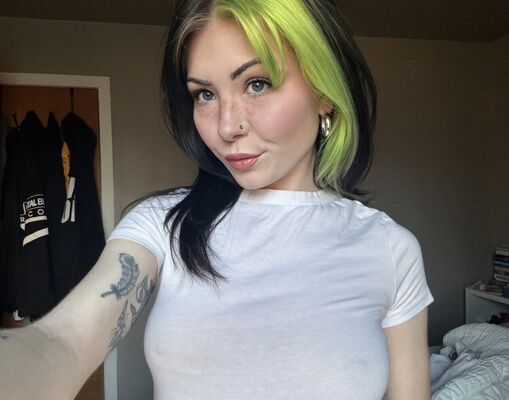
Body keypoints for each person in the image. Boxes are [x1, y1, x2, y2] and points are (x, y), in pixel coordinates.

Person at [0, 0, 434, 399]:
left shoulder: (390, 249)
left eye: (257, 84)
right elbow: (63, 340)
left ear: (323, 93)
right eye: (204, 94)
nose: (226, 126)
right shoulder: (161, 225)